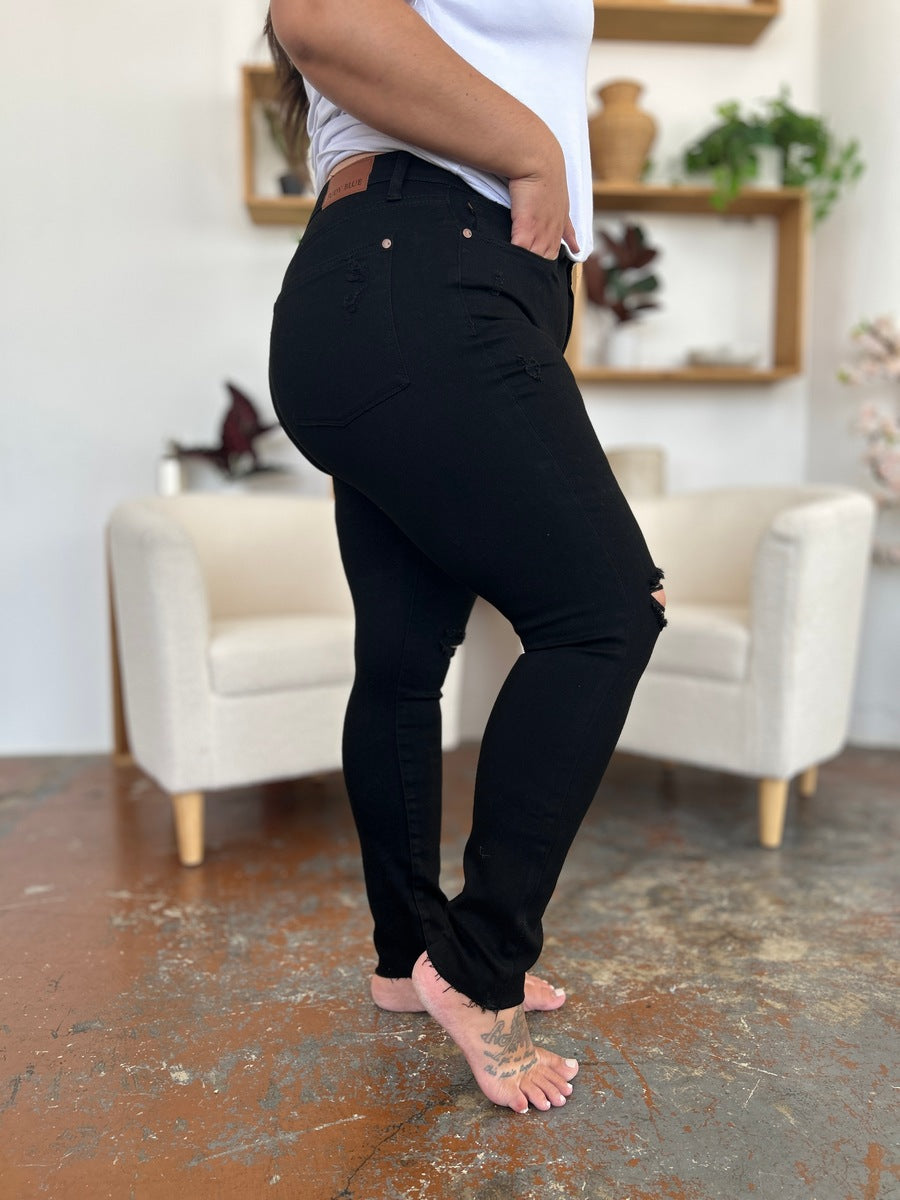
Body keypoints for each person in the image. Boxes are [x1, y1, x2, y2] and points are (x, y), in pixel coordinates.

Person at [264, 0, 667, 1115]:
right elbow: (318, 14)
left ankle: (406, 960)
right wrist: (533, 150)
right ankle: (476, 964)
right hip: (425, 274)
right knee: (605, 612)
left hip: (398, 283)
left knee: (401, 656)